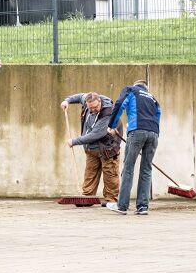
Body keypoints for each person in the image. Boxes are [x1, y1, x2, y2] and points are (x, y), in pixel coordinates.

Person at [106, 80, 161, 215]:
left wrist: (112, 125)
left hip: (137, 131)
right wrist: (153, 133)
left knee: (128, 168)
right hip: (153, 134)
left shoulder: (131, 90)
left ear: (136, 84)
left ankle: (122, 206)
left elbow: (119, 104)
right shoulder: (153, 98)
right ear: (146, 88)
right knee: (146, 169)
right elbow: (158, 115)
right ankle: (143, 207)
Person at [60, 91, 122, 205]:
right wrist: (67, 101)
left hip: (108, 148)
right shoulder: (87, 101)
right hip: (91, 149)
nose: (93, 110)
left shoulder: (108, 112)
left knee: (110, 174)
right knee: (90, 173)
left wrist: (74, 141)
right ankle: (87, 198)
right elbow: (79, 97)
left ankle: (111, 200)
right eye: (90, 108)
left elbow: (96, 134)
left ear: (100, 102)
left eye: (95, 107)